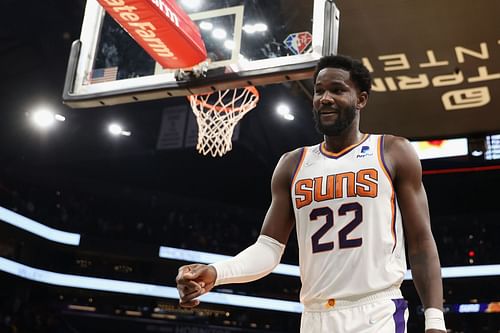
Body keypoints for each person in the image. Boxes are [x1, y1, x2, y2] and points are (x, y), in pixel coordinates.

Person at [176, 54, 446, 333]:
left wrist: (435, 320)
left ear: (361, 99)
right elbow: (268, 250)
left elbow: (421, 242)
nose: (324, 98)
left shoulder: (392, 151)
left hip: (375, 312)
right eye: (319, 90)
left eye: (338, 90)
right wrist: (217, 272)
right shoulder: (292, 164)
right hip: (314, 316)